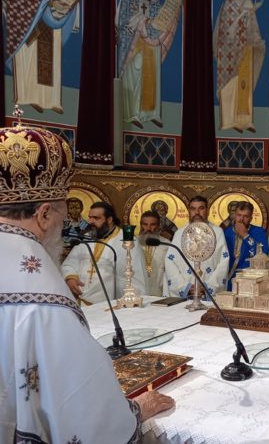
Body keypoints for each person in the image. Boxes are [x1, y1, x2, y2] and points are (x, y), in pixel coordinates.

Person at [0, 124, 173, 443]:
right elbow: (85, 408)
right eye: (62, 214)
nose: (66, 223)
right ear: (43, 215)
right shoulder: (43, 298)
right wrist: (135, 410)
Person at [4, 0, 81, 113]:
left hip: (53, 24)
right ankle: (29, 97)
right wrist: (49, 3)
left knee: (52, 62)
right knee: (31, 61)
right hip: (33, 20)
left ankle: (52, 101)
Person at [117, 0, 182, 128]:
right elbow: (123, 21)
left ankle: (150, 113)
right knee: (136, 71)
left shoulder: (154, 2)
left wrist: (151, 25)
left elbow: (159, 22)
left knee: (153, 72)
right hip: (134, 43)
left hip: (150, 43)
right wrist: (139, 22)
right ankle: (132, 112)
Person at [61, 202, 145, 305]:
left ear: (109, 220)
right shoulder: (87, 237)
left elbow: (136, 277)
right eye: (90, 217)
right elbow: (69, 264)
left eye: (96, 218)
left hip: (109, 305)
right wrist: (71, 278)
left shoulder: (127, 240)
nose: (90, 221)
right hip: (80, 302)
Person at [213, 0, 265, 132]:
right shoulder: (230, 2)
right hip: (230, 52)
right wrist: (242, 20)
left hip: (246, 49)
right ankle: (230, 120)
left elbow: (253, 27)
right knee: (231, 84)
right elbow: (226, 29)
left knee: (245, 84)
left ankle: (245, 121)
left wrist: (256, 40)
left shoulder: (248, 2)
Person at [164, 196, 229, 298]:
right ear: (189, 211)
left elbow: (224, 261)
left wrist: (208, 287)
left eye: (201, 208)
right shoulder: (180, 233)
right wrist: (185, 287)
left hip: (208, 292)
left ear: (207, 211)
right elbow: (170, 261)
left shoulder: (217, 232)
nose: (197, 212)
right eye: (193, 209)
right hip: (186, 292)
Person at [224, 201, 269, 290]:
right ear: (235, 215)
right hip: (229, 280)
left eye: (245, 216)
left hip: (250, 279)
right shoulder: (227, 232)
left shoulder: (258, 232)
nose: (241, 219)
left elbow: (264, 254)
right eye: (239, 215)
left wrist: (245, 235)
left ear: (251, 218)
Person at [136, 210, 168, 296]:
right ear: (140, 225)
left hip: (160, 294)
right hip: (137, 293)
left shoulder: (167, 245)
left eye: (152, 224)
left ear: (158, 226)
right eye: (145, 224)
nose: (148, 228)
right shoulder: (133, 244)